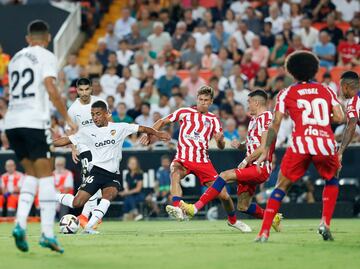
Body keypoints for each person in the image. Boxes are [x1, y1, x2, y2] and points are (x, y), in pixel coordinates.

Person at [254, 51, 344, 243]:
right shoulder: (327, 89)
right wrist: (321, 120)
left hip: (300, 143)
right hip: (325, 142)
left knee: (281, 186)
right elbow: (339, 117)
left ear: (291, 72)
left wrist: (265, 149)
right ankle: (325, 223)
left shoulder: (286, 93)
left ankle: (264, 233)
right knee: (332, 178)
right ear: (314, 70)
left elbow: (275, 124)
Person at [4, 20, 77, 253]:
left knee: (31, 174)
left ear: (28, 39)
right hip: (34, 122)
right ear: (47, 39)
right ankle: (47, 233)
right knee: (46, 177)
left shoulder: (14, 59)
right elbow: (50, 88)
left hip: (12, 123)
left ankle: (19, 224)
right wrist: (67, 119)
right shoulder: (46, 56)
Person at [140, 86, 249, 232]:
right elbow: (161, 121)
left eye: (206, 100)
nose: (202, 102)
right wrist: (149, 134)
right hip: (183, 158)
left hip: (203, 161)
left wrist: (220, 141)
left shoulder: (214, 120)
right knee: (175, 173)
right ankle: (178, 207)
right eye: (200, 99)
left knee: (224, 195)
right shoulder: (184, 112)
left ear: (210, 102)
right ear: (197, 99)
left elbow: (221, 146)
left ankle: (233, 221)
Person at [54, 100, 170, 234]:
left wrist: (158, 133)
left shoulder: (120, 128)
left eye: (98, 114)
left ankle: (89, 227)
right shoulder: (87, 131)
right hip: (96, 173)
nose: (95, 117)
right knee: (77, 203)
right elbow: (66, 140)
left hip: (113, 174)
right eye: (92, 114)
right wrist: (46, 143)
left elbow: (142, 128)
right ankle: (53, 195)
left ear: (107, 114)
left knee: (110, 194)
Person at [180, 90, 282, 232]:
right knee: (243, 207)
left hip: (260, 167)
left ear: (256, 102)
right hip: (251, 166)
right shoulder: (254, 120)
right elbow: (252, 144)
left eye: (249, 102)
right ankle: (272, 217)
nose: (248, 105)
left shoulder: (266, 118)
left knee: (224, 175)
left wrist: (246, 160)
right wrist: (240, 146)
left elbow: (263, 147)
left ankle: (194, 208)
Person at [66, 78, 108, 228]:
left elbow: (108, 122)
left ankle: (88, 215)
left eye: (87, 89)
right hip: (84, 148)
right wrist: (73, 148)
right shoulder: (73, 109)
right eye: (81, 90)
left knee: (98, 181)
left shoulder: (100, 103)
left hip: (102, 147)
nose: (84, 93)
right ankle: (86, 216)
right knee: (91, 180)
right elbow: (70, 130)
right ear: (77, 90)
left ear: (91, 89)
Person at [337, 71, 360, 167]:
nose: (341, 91)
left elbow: (351, 126)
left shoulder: (354, 101)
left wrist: (340, 152)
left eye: (341, 87)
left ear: (346, 86)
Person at [119, 156, 145, 221]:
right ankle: (132, 214)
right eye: (131, 163)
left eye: (134, 163)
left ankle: (128, 214)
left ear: (137, 164)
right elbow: (127, 188)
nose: (133, 165)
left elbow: (138, 189)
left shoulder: (139, 174)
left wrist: (126, 193)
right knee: (128, 198)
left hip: (140, 195)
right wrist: (124, 192)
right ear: (128, 164)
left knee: (129, 198)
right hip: (131, 196)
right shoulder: (127, 175)